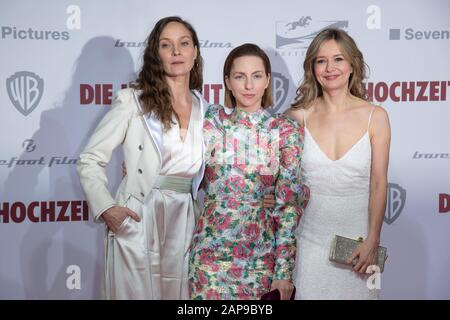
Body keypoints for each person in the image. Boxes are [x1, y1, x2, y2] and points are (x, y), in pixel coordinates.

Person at [77, 16, 208, 299]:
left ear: (195, 52)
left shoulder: (206, 109)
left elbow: (215, 173)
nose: (176, 52)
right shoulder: (133, 101)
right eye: (166, 45)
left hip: (185, 221)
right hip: (138, 215)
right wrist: (107, 209)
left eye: (184, 43)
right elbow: (89, 159)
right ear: (155, 54)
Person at [189, 43, 309, 300]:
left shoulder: (285, 130)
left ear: (267, 80)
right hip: (209, 260)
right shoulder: (211, 121)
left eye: (256, 76)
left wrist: (284, 272)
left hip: (260, 261)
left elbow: (288, 206)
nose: (248, 85)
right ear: (227, 82)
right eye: (239, 76)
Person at [286, 28, 391, 299]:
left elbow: (379, 183)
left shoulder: (375, 116)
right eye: (321, 61)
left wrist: (373, 240)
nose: (330, 68)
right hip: (309, 244)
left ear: (353, 65)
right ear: (313, 67)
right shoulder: (297, 117)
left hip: (358, 246)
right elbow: (277, 179)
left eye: (338, 59)